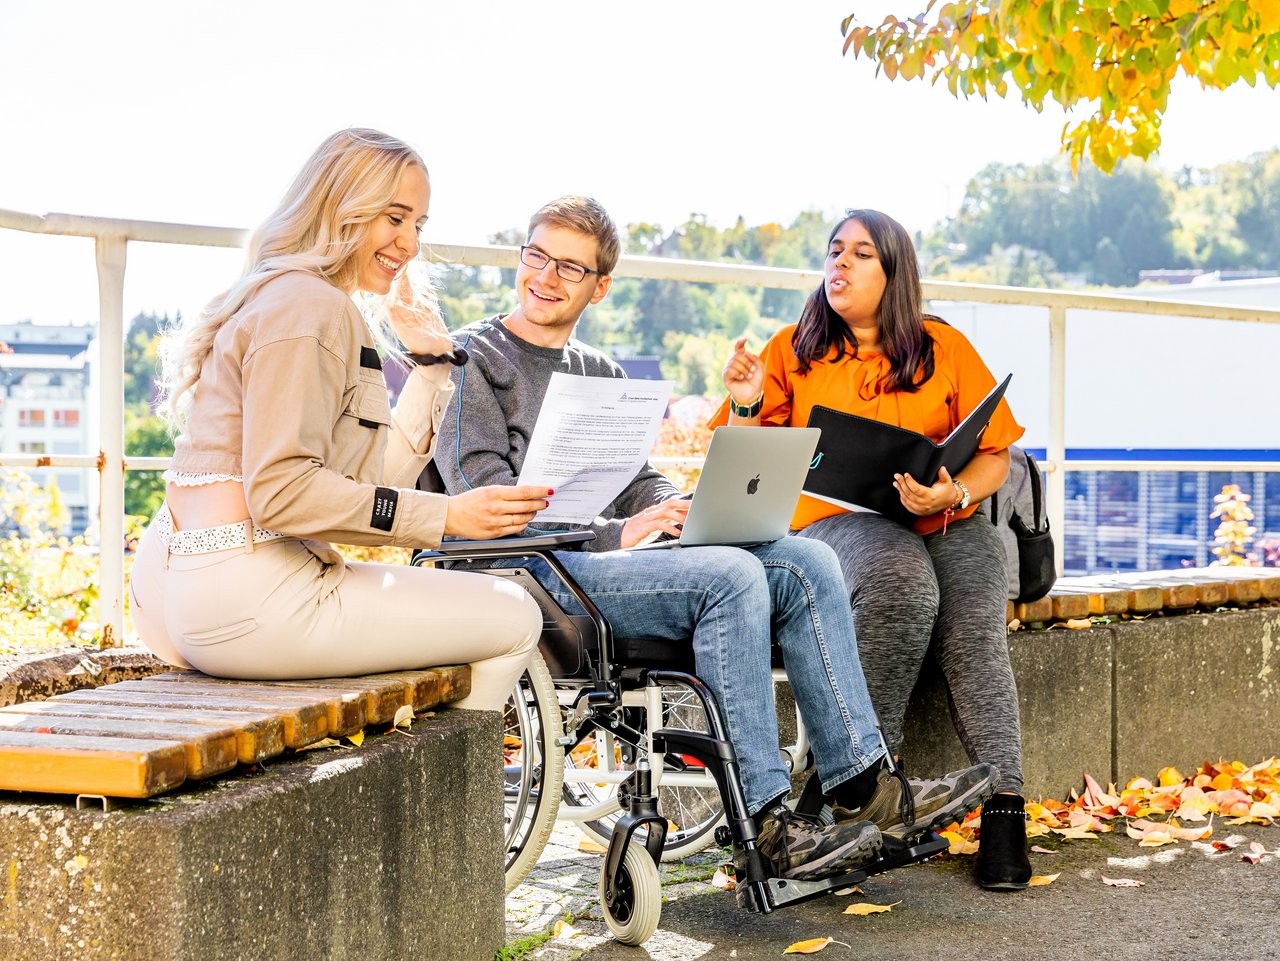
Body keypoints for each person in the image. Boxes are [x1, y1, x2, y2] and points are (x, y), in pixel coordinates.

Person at [435, 195, 1000, 883]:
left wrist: (671, 506)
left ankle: (861, 785)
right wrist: (617, 531)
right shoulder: (474, 358)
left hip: (613, 562)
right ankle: (764, 827)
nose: (546, 276)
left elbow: (635, 477)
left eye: (570, 267)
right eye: (536, 256)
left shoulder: (600, 372)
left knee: (805, 559)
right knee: (731, 575)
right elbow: (479, 496)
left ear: (600, 285)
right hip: (533, 572)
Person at [128, 128, 554, 713]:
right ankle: (452, 802)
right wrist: (448, 515)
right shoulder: (311, 306)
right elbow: (283, 493)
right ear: (342, 207)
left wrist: (430, 363)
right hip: (245, 591)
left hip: (181, 585)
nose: (409, 244)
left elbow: (370, 482)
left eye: (419, 226)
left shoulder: (290, 295)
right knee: (514, 615)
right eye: (394, 218)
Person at [713, 208, 1033, 891]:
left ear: (895, 274)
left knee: (974, 611)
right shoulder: (790, 349)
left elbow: (997, 458)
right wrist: (744, 403)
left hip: (942, 519)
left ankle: (1005, 807)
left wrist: (949, 495)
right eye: (834, 251)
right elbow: (745, 465)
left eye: (861, 253)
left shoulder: (941, 346)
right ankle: (860, 790)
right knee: (901, 579)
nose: (841, 264)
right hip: (832, 524)